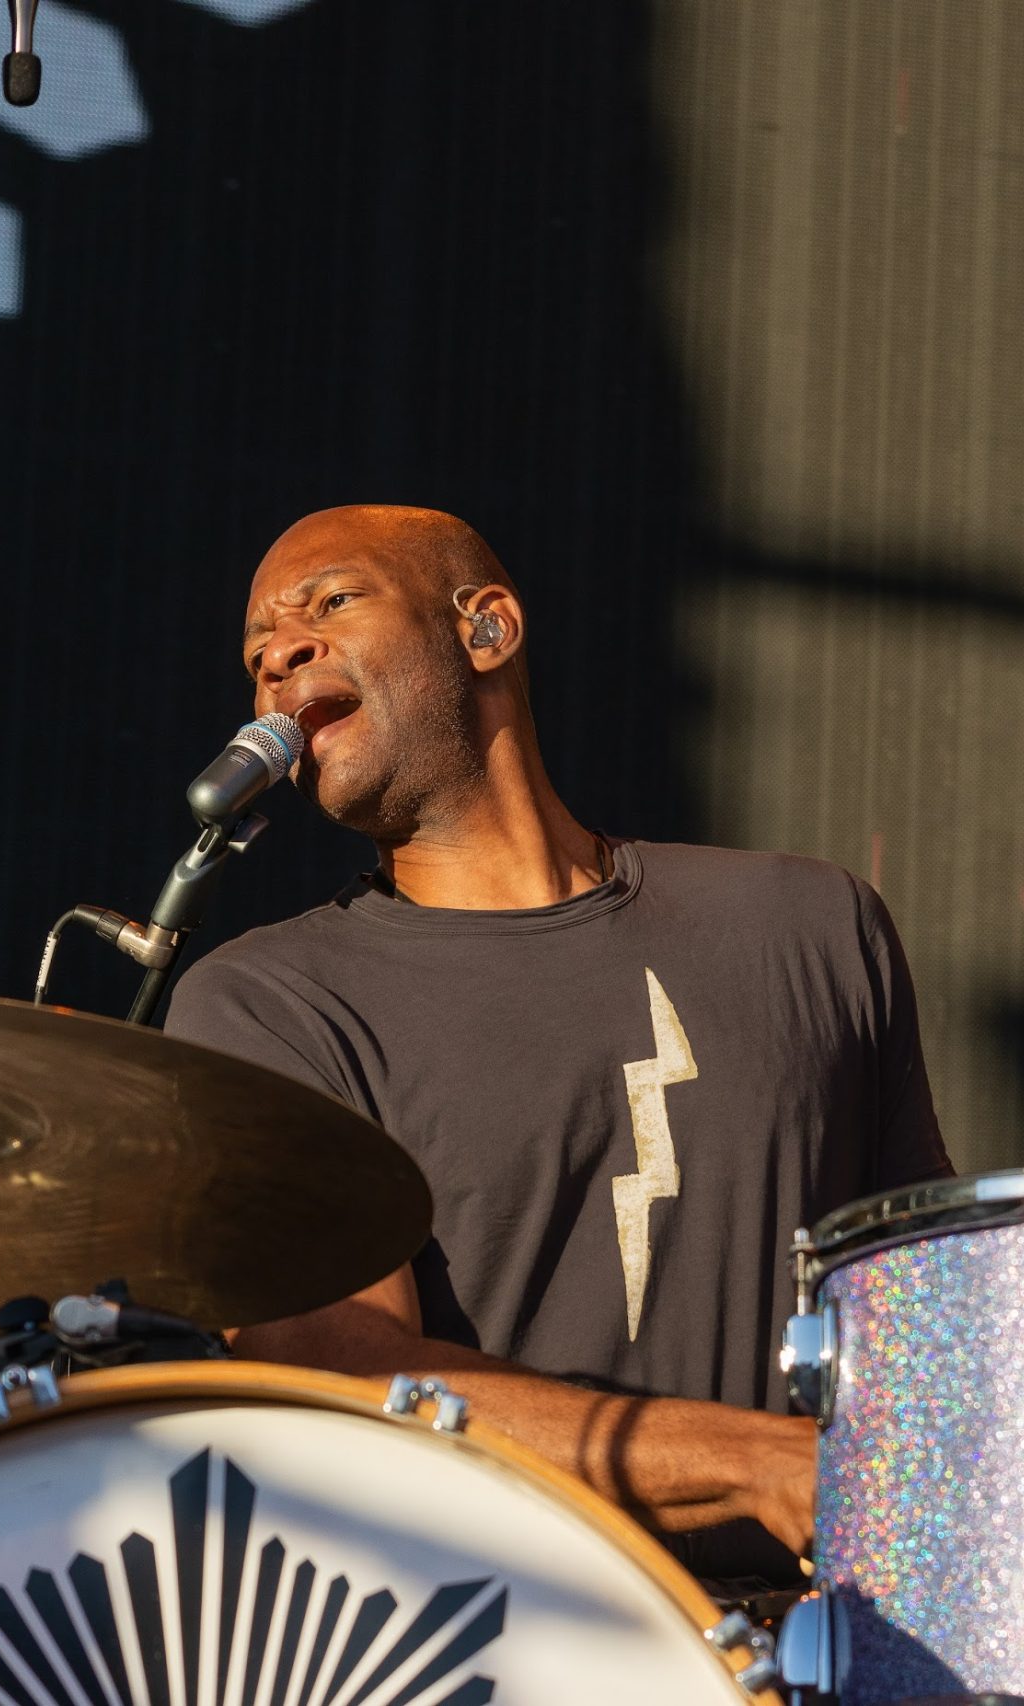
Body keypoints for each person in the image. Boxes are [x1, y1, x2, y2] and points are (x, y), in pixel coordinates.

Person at [165, 504, 952, 1586]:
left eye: (331, 603)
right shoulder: (271, 1003)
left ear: (486, 629)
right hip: (497, 1638)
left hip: (830, 1638)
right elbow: (337, 1375)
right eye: (258, 649)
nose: (278, 654)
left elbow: (932, 1309)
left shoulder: (806, 923)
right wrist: (755, 1461)